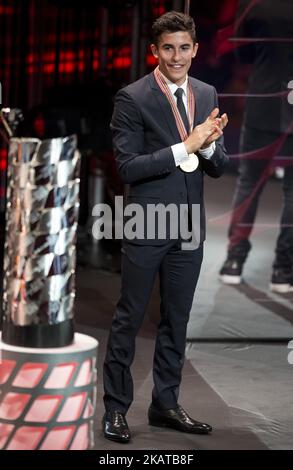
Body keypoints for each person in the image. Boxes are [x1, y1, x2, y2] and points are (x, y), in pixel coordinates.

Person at [102, 10, 228, 443]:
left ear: (196, 49)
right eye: (168, 48)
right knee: (130, 317)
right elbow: (128, 167)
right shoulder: (132, 97)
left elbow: (220, 166)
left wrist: (208, 147)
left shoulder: (206, 92)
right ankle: (116, 409)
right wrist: (186, 144)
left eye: (184, 48)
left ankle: (165, 404)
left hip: (190, 225)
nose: (177, 56)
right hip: (147, 221)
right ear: (154, 51)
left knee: (177, 318)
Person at [219, 0, 293, 292]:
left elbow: (242, 52)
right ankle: (284, 271)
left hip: (264, 102)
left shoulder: (255, 3)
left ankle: (234, 261)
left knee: (249, 183)